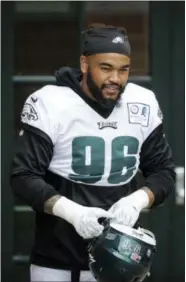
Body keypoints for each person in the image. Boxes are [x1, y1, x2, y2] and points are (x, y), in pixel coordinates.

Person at [11, 23, 175, 282]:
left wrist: (138, 200)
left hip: (120, 259)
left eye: (124, 70)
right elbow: (23, 177)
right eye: (106, 68)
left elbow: (164, 172)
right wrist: (73, 213)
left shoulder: (142, 102)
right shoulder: (51, 102)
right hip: (57, 261)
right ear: (85, 64)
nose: (116, 79)